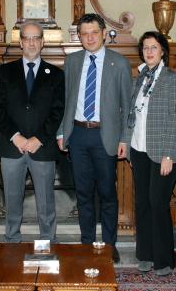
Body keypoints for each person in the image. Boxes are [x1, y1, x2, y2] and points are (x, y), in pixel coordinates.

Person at [57, 13, 131, 262]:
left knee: (108, 194)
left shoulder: (118, 63)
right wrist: (61, 132)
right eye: (84, 34)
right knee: (83, 194)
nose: (89, 38)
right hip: (77, 135)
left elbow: (127, 106)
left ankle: (109, 245)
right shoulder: (73, 61)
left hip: (105, 136)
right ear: (79, 36)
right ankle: (87, 244)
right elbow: (64, 100)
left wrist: (125, 139)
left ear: (103, 34)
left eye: (93, 33)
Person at [0, 21, 64, 242]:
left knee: (46, 203)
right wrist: (17, 137)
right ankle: (12, 242)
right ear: (20, 42)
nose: (31, 42)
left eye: (36, 38)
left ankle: (47, 244)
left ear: (42, 42)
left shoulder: (56, 74)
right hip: (11, 147)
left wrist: (38, 139)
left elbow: (58, 111)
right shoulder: (5, 70)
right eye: (27, 38)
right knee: (12, 202)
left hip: (42, 148)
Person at [127, 31, 176, 275]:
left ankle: (164, 260)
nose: (149, 52)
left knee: (158, 203)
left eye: (154, 47)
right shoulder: (139, 79)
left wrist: (169, 154)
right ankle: (145, 255)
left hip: (163, 152)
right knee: (142, 204)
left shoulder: (172, 79)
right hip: (139, 149)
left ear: (163, 51)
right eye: (145, 48)